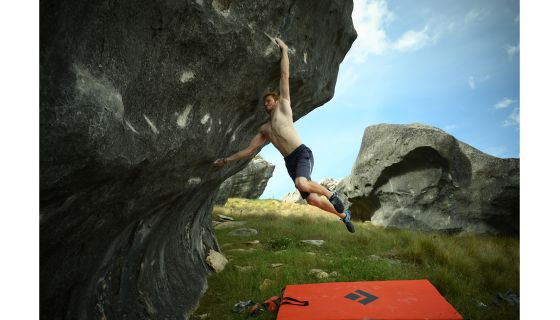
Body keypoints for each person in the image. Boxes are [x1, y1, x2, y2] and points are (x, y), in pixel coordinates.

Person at [213, 38, 354, 233]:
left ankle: (331, 194)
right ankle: (343, 216)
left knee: (301, 183)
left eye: (269, 100)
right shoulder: (265, 129)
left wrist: (285, 51)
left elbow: (284, 75)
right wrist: (226, 160)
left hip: (301, 153)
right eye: (265, 103)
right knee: (312, 200)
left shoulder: (284, 107)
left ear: (276, 100)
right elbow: (249, 150)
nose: (266, 104)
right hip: (290, 162)